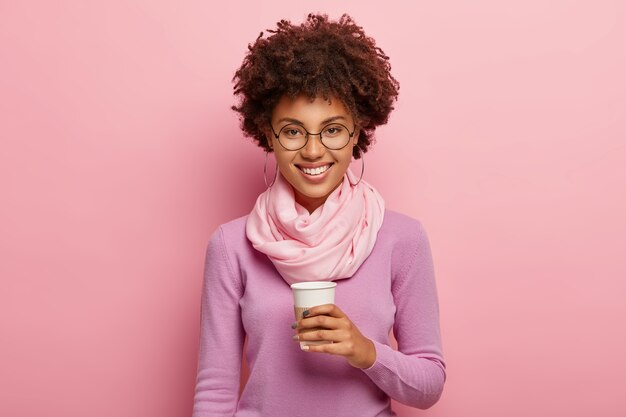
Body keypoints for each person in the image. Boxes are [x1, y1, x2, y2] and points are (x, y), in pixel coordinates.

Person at [192, 13, 446, 417]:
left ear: (357, 133)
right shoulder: (231, 245)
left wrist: (364, 351)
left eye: (332, 129)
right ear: (268, 134)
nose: (313, 151)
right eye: (293, 131)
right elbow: (215, 391)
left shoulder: (403, 238)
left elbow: (429, 387)